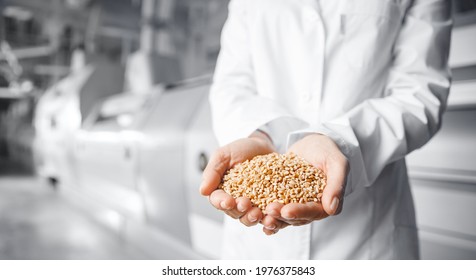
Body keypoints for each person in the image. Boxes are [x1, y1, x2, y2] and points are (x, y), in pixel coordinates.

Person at [200, 0, 452, 259]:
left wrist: (339, 141)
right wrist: (262, 133)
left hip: (368, 236)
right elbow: (231, 85)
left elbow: (420, 92)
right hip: (257, 248)